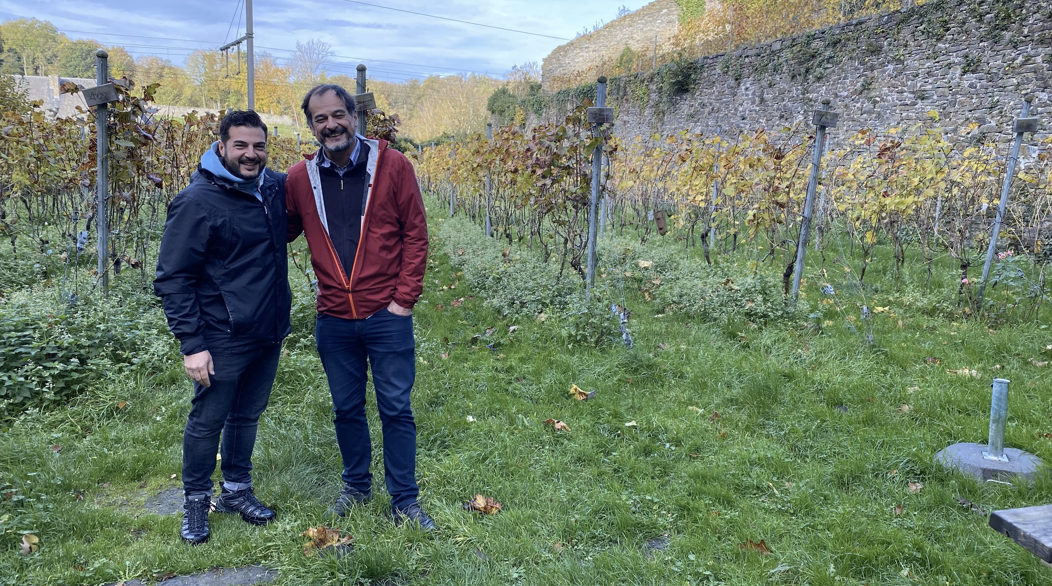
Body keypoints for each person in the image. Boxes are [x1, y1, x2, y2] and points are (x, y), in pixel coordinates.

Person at [285, 84, 432, 529]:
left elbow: (416, 234)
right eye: (319, 119)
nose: (330, 125)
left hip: (386, 315)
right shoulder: (298, 179)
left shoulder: (393, 166)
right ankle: (356, 487)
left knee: (395, 408)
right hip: (333, 318)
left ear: (354, 115)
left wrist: (403, 302)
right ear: (311, 126)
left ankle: (404, 499)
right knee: (346, 408)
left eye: (337, 115)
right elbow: (278, 230)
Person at [154, 110, 291, 544]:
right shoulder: (197, 202)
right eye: (241, 146)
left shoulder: (271, 188)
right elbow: (173, 278)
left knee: (247, 415)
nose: (251, 154)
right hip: (220, 334)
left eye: (259, 146)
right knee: (207, 420)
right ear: (221, 147)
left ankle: (236, 490)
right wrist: (192, 344)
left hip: (267, 329)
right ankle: (196, 500)